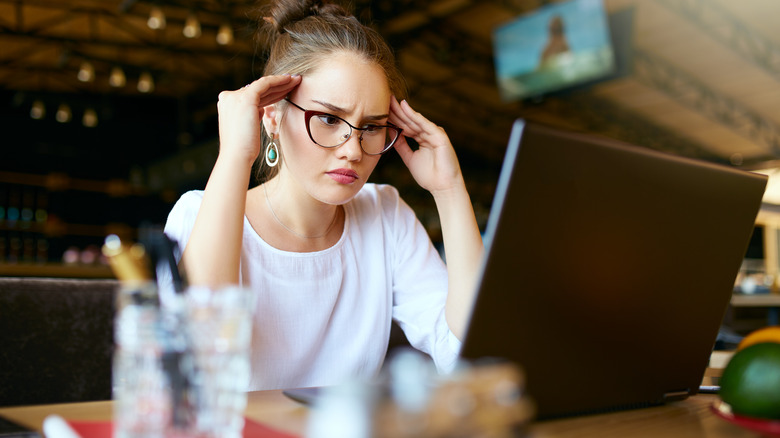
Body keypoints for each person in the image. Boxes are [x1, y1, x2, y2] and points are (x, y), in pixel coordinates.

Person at [162, 0, 483, 391]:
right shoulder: (198, 214)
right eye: (329, 119)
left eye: (372, 127)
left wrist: (449, 189)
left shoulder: (386, 215)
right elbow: (197, 364)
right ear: (272, 116)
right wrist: (234, 155)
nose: (353, 149)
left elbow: (467, 355)